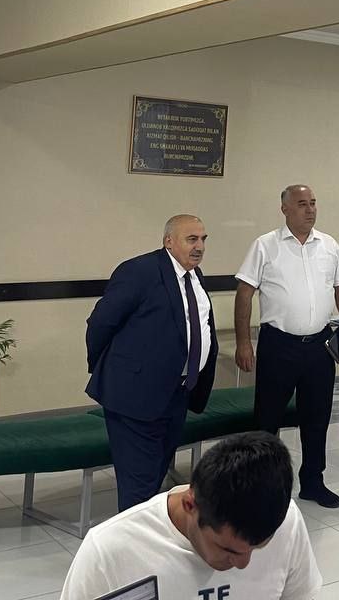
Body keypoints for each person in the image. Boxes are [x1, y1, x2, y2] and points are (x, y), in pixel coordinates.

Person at [58, 431, 321, 600]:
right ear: (190, 504)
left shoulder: (287, 521)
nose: (243, 563)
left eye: (258, 547)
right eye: (228, 549)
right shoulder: (109, 551)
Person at [234, 185, 339, 508]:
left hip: (319, 347)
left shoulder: (329, 245)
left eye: (313, 203)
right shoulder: (265, 245)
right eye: (302, 204)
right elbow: (244, 294)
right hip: (279, 346)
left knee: (317, 417)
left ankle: (313, 482)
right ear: (285, 209)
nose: (310, 209)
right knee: (267, 419)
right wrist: (244, 341)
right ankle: (262, 486)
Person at [86, 214, 219, 511]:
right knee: (139, 486)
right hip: (134, 396)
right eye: (192, 239)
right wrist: (110, 369)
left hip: (177, 394)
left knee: (156, 475)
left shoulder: (195, 276)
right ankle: (132, 538)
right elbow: (100, 323)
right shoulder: (140, 271)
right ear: (169, 241)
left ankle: (144, 530)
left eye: (203, 239)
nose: (199, 246)